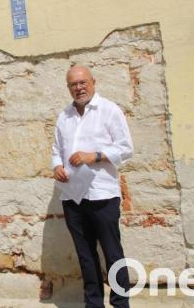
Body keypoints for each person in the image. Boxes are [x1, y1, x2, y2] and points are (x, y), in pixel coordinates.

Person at [51, 65, 133, 308]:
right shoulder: (63, 116)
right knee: (86, 257)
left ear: (93, 82)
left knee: (113, 254)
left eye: (83, 82)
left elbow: (126, 148)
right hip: (72, 197)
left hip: (103, 194)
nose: (79, 88)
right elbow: (56, 150)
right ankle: (93, 304)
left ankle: (120, 304)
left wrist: (94, 156)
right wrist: (56, 166)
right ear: (68, 88)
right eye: (73, 85)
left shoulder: (109, 110)